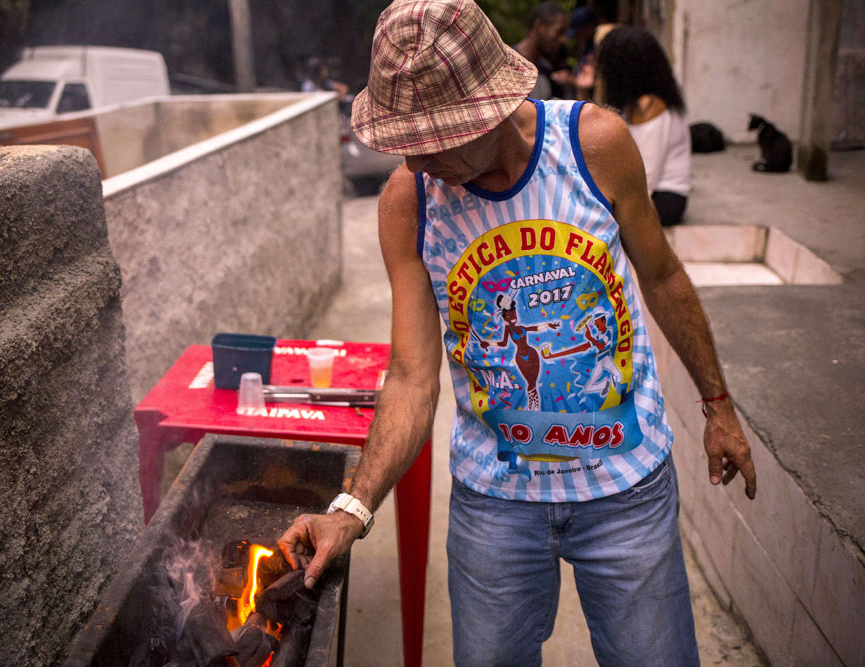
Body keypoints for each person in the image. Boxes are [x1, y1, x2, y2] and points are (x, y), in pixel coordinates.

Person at [279, 1, 756, 665]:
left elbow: (664, 278)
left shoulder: (595, 146)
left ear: (490, 108)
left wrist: (719, 406)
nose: (415, 163)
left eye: (431, 141)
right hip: (496, 505)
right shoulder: (408, 203)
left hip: (625, 490)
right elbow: (414, 377)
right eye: (404, 143)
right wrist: (352, 508)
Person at [596, 26, 691, 226]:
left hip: (664, 199)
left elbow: (646, 178)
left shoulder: (650, 107)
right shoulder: (635, 103)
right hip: (646, 191)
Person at [513, 2, 569, 100]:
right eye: (559, 32)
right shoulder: (506, 63)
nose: (562, 40)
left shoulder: (547, 71)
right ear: (539, 26)